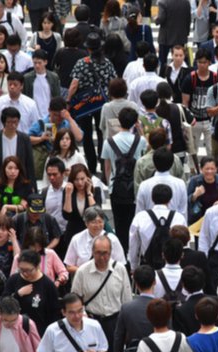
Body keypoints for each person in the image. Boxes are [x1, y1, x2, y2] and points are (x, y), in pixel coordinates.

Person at [71, 235, 132, 352]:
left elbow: (126, 301)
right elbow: (75, 300)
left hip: (114, 323)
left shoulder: (120, 269)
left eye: (105, 253)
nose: (102, 257)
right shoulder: (83, 271)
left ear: (111, 252)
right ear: (92, 252)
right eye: (98, 253)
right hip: (90, 322)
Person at [67, 33, 118, 175]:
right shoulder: (107, 63)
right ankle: (103, 161)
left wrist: (68, 100)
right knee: (102, 133)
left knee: (87, 134)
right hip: (102, 103)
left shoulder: (82, 63)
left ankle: (91, 165)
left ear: (88, 48)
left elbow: (74, 84)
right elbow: (114, 81)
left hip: (85, 104)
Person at [101, 108, 148, 253]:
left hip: (116, 187)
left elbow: (107, 167)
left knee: (119, 223)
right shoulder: (140, 140)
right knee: (135, 222)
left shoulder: (109, 142)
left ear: (119, 121)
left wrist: (109, 185)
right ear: (135, 122)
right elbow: (147, 152)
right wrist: (140, 131)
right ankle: (134, 253)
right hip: (135, 187)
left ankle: (122, 253)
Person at [113, 265, 155, 352]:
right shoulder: (162, 306)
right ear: (154, 282)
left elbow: (118, 337)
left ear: (136, 284)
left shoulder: (126, 308)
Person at [4, 249, 61, 335]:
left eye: (28, 270)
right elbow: (4, 302)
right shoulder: (14, 280)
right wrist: (18, 294)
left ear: (37, 266)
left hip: (38, 332)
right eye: (21, 270)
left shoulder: (48, 285)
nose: (25, 273)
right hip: (14, 331)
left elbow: (54, 313)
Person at [131, 181, 184, 264]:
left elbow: (133, 244)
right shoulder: (179, 217)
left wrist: (133, 265)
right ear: (170, 199)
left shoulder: (140, 217)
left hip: (147, 265)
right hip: (172, 264)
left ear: (152, 199)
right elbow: (184, 245)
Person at [136, 147, 187, 217]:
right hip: (175, 222)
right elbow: (183, 212)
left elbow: (139, 213)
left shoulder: (144, 185)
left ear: (154, 163)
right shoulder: (180, 184)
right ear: (171, 163)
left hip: (148, 222)